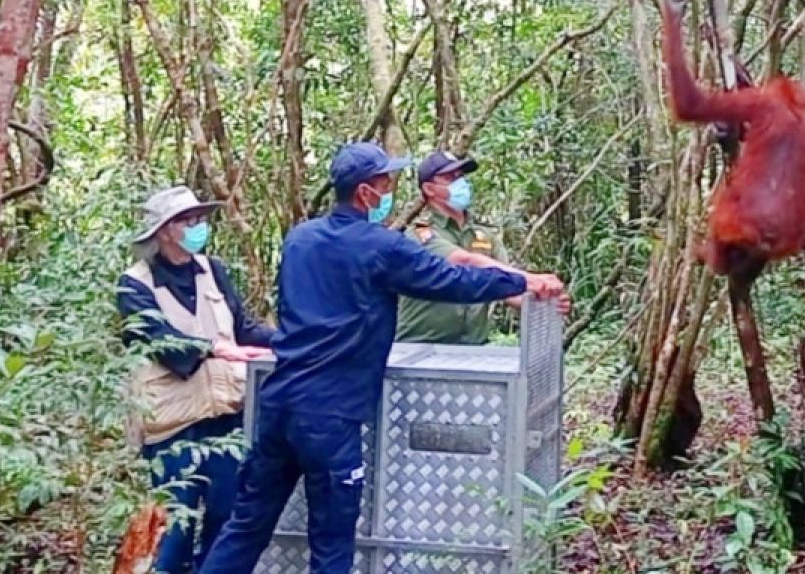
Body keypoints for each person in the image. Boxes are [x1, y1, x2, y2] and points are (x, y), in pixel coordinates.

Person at [200, 142, 565, 574]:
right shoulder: (381, 246)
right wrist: (524, 283)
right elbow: (452, 280)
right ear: (365, 193)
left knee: (246, 527)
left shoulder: (299, 239)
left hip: (279, 405)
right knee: (332, 545)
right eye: (385, 182)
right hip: (330, 417)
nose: (391, 189)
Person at [116, 185, 274, 574]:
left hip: (225, 414)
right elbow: (161, 343)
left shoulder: (212, 270)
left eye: (200, 219)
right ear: (166, 230)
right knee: (174, 527)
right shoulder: (134, 284)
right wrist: (216, 349)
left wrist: (292, 339)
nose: (197, 227)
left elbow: (242, 328)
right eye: (188, 221)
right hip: (172, 425)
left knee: (227, 519)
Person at [397, 150, 570, 345]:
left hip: (473, 350)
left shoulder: (486, 236)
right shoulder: (419, 233)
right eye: (449, 178)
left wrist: (545, 302)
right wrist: (532, 279)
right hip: (419, 348)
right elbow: (464, 261)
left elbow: (508, 288)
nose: (460, 182)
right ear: (429, 189)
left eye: (460, 176)